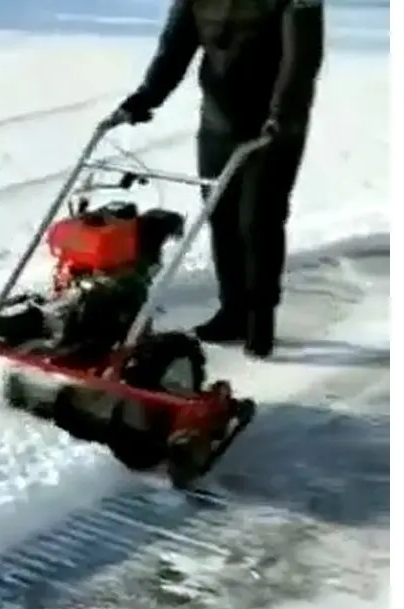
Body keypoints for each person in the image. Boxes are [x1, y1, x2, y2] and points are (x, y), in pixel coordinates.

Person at [112, 0, 325, 358]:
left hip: (272, 128)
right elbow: (175, 48)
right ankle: (233, 312)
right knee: (220, 216)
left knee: (258, 221)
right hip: (218, 122)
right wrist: (145, 98)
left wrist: (283, 116)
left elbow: (300, 63)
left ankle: (260, 320)